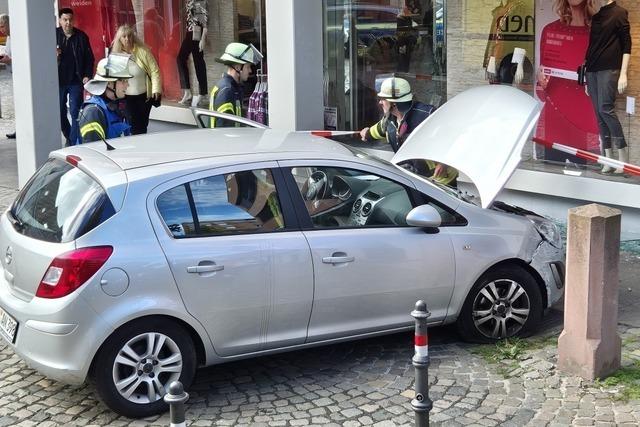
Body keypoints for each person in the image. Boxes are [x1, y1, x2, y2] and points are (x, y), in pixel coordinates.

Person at [359, 77, 458, 187]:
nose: (380, 102)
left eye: (383, 99)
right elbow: (375, 131)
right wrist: (366, 134)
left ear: (394, 103)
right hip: (415, 179)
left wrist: (443, 163)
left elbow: (453, 138)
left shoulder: (428, 115)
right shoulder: (388, 121)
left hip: (442, 181)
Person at [535, 0, 601, 165]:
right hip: (553, 127)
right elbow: (542, 93)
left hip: (585, 127)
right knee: (548, 185)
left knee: (589, 187)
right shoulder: (551, 31)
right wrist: (541, 82)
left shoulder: (598, 33)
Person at [585, 0, 631, 174]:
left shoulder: (620, 13)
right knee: (599, 114)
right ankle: (608, 158)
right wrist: (585, 75)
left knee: (606, 109)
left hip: (609, 68)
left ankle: (622, 157)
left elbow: (627, 44)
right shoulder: (596, 17)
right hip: (592, 70)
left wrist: (623, 73)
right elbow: (591, 47)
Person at [111, 24, 162, 135]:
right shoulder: (116, 56)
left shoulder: (143, 52)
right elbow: (112, 78)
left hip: (144, 97)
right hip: (127, 98)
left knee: (143, 126)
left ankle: (142, 148)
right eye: (124, 37)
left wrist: (156, 89)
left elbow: (154, 70)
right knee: (132, 127)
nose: (127, 39)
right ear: (119, 39)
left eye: (129, 36)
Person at [56, 8, 95, 146]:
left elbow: (89, 59)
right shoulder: (53, 35)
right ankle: (68, 134)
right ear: (60, 20)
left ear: (73, 21)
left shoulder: (81, 37)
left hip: (75, 80)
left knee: (74, 111)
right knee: (59, 112)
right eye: (65, 20)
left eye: (70, 20)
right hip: (58, 81)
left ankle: (72, 142)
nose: (68, 23)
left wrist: (87, 75)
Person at [77, 54, 132, 144]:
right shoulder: (93, 112)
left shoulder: (113, 106)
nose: (127, 85)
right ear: (109, 83)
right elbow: (94, 152)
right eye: (123, 81)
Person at [209, 42, 263, 128]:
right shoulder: (227, 91)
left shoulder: (233, 88)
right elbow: (224, 130)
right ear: (238, 67)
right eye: (248, 67)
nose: (250, 71)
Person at [177, 0, 209, 107]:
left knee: (198, 62)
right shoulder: (189, 1)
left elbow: (204, 20)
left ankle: (202, 93)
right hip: (189, 33)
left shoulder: (200, 1)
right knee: (181, 58)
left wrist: (203, 38)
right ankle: (188, 91)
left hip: (197, 33)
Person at [0, 14, 15, 139]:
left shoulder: (15, 36)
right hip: (12, 73)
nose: (1, 29)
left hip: (19, 74)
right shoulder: (8, 37)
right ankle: (18, 128)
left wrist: (9, 60)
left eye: (3, 26)